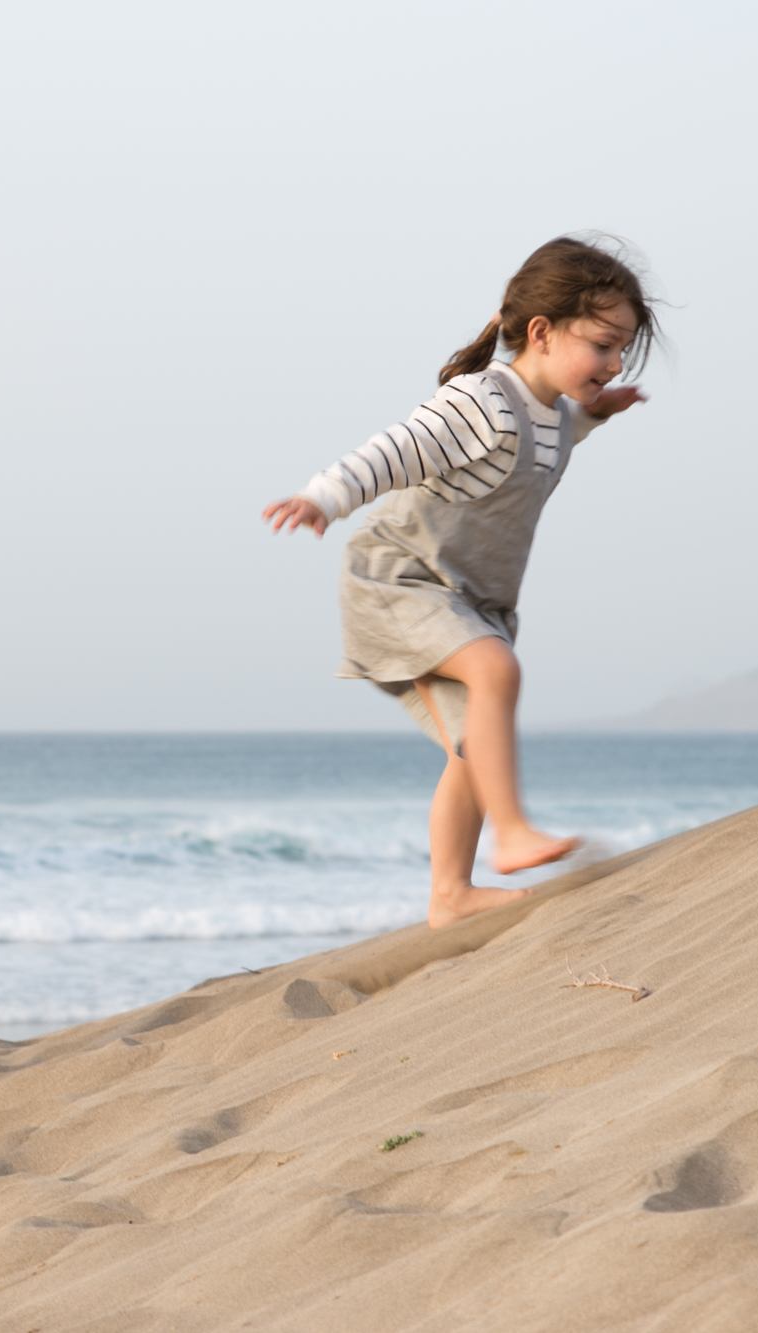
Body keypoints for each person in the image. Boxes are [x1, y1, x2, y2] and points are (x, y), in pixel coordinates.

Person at [263, 235, 658, 928]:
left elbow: (560, 432)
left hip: (471, 602)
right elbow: (396, 450)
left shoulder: (553, 417)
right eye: (602, 343)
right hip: (403, 580)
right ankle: (513, 834)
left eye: (622, 348)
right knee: (496, 674)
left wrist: (599, 410)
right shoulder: (481, 400)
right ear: (541, 331)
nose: (614, 360)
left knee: (473, 748)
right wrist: (323, 497)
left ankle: (450, 895)